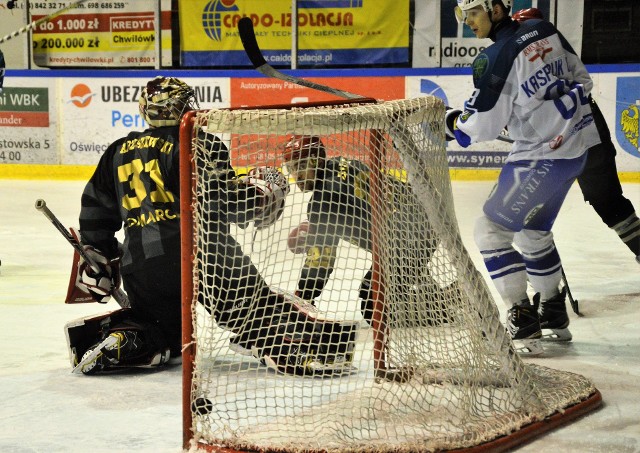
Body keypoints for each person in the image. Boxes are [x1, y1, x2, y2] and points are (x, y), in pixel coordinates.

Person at [68, 76, 356, 376]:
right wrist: (261, 193)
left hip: (141, 268)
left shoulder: (117, 152)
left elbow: (94, 212)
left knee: (163, 331)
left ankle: (125, 340)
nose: (189, 108)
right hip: (204, 257)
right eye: (183, 104)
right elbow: (220, 203)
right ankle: (284, 341)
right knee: (255, 310)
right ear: (175, 109)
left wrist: (98, 255)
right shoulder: (196, 142)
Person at [445, 0, 602, 355]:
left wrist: (453, 126)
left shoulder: (496, 57)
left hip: (540, 158)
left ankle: (522, 315)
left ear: (495, 10)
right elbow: (581, 78)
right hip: (575, 151)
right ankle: (553, 310)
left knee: (489, 232)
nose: (468, 22)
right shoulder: (546, 30)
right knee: (533, 232)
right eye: (463, 16)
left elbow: (482, 126)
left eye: (472, 13)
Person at [283, 135, 456, 328]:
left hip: (411, 232)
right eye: (292, 168)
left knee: (374, 309)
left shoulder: (322, 201)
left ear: (317, 160)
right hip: (428, 212)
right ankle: (437, 294)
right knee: (394, 257)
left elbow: (322, 260)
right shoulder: (341, 163)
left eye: (301, 165)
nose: (296, 175)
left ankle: (447, 304)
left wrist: (303, 297)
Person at [512, 7, 640, 265]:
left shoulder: (519, 59)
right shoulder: (557, 43)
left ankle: (549, 289)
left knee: (529, 218)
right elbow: (584, 81)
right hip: (591, 130)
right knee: (611, 204)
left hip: (557, 144)